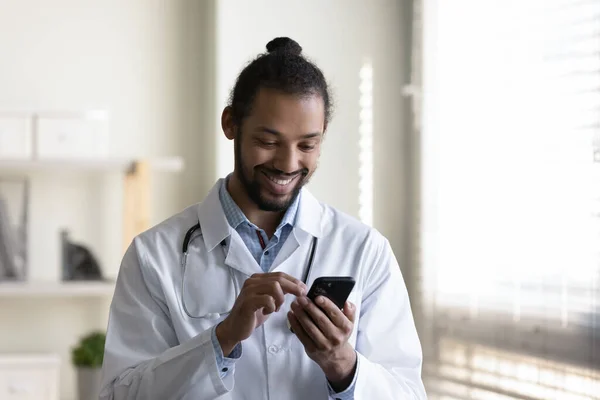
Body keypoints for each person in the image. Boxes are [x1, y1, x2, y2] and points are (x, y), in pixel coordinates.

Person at [99, 37, 426, 400]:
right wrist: (221, 339)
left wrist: (342, 363)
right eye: (269, 142)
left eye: (307, 145)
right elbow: (118, 395)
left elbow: (408, 393)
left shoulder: (365, 250)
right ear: (231, 125)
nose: (288, 164)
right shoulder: (153, 256)